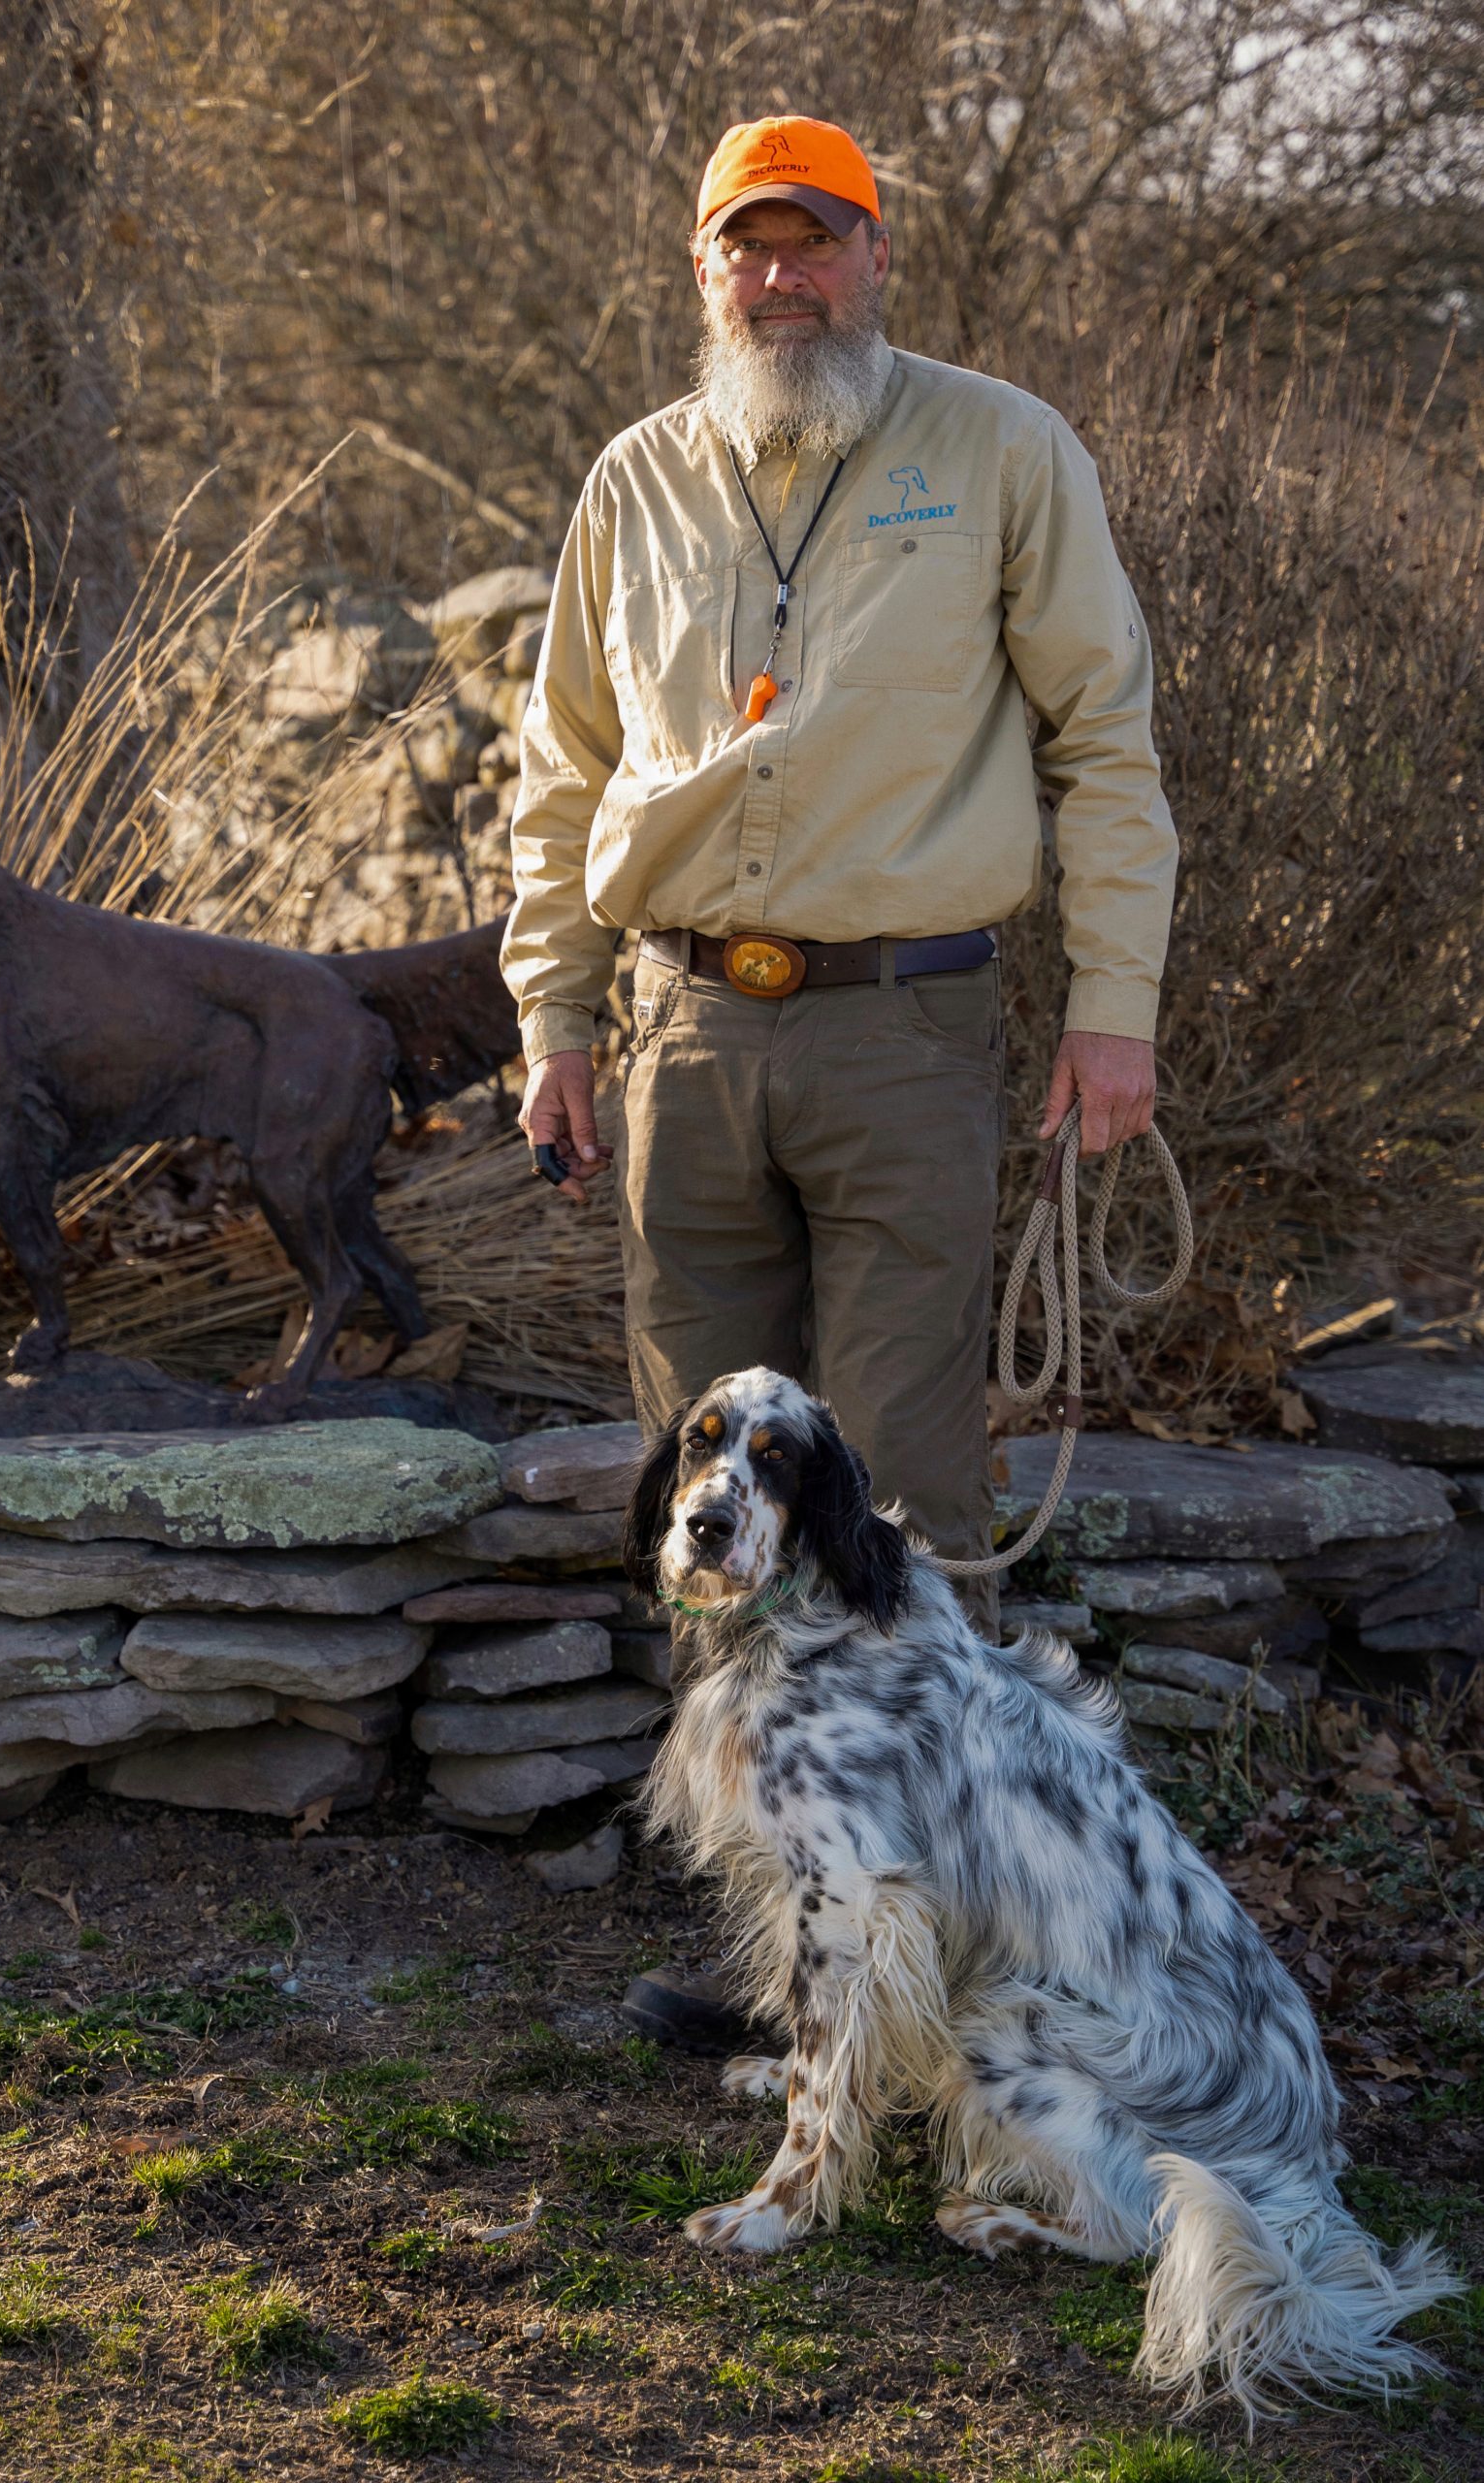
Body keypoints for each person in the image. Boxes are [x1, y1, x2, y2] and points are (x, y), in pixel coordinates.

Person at [500, 113, 1178, 2049]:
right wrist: (551, 1016)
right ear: (700, 267)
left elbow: (1101, 736)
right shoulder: (632, 482)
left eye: (817, 245)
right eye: (746, 248)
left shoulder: (996, 450)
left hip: (904, 1029)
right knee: (702, 1513)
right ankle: (784, 1954)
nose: (780, 279)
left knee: (899, 1495)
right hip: (680, 1038)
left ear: (877, 257)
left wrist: (1110, 1004)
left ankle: (947, 1971)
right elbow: (555, 774)